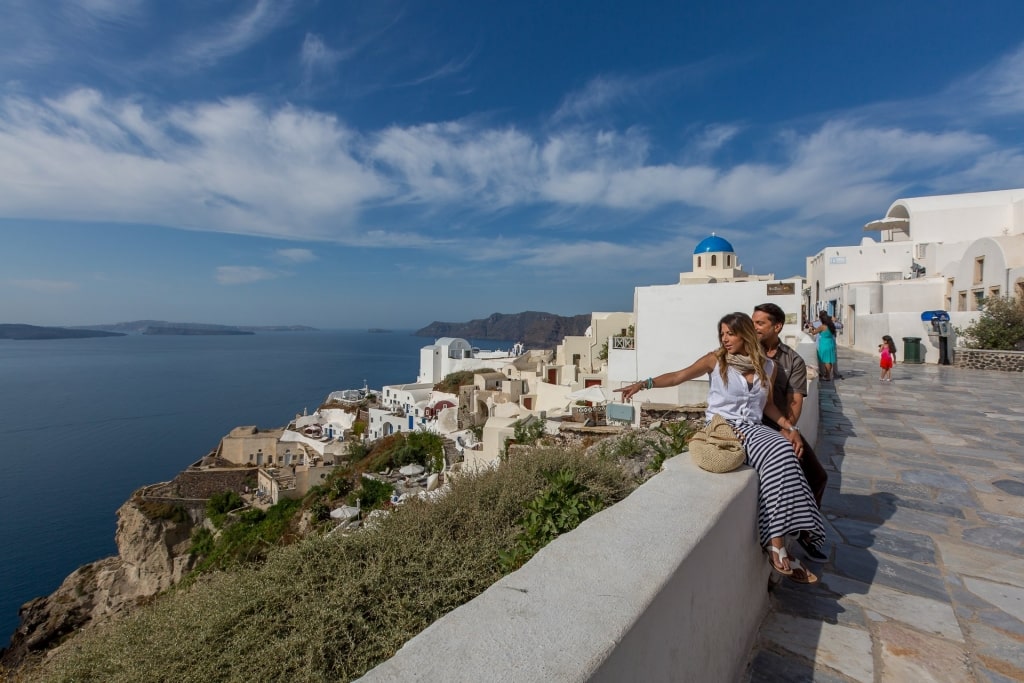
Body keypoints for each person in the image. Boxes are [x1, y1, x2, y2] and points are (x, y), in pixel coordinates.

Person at [617, 312, 825, 583]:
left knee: (785, 453)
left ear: (745, 335)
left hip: (754, 428)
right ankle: (777, 542)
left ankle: (777, 539)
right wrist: (643, 384)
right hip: (723, 428)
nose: (725, 339)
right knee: (780, 451)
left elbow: (769, 406)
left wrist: (790, 428)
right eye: (722, 334)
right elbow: (679, 376)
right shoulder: (715, 361)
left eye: (730, 333)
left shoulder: (768, 367)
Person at [752, 303, 829, 561]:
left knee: (817, 476)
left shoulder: (792, 360)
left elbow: (796, 400)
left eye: (760, 323)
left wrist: (789, 428)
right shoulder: (745, 351)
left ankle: (805, 533)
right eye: (753, 322)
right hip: (752, 425)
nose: (754, 328)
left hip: (779, 424)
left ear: (777, 327)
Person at [809, 311, 837, 381]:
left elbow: (814, 333)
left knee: (826, 361)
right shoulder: (831, 325)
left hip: (824, 344)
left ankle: (827, 376)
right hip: (831, 343)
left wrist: (810, 329)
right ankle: (828, 375)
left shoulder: (822, 327)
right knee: (829, 360)